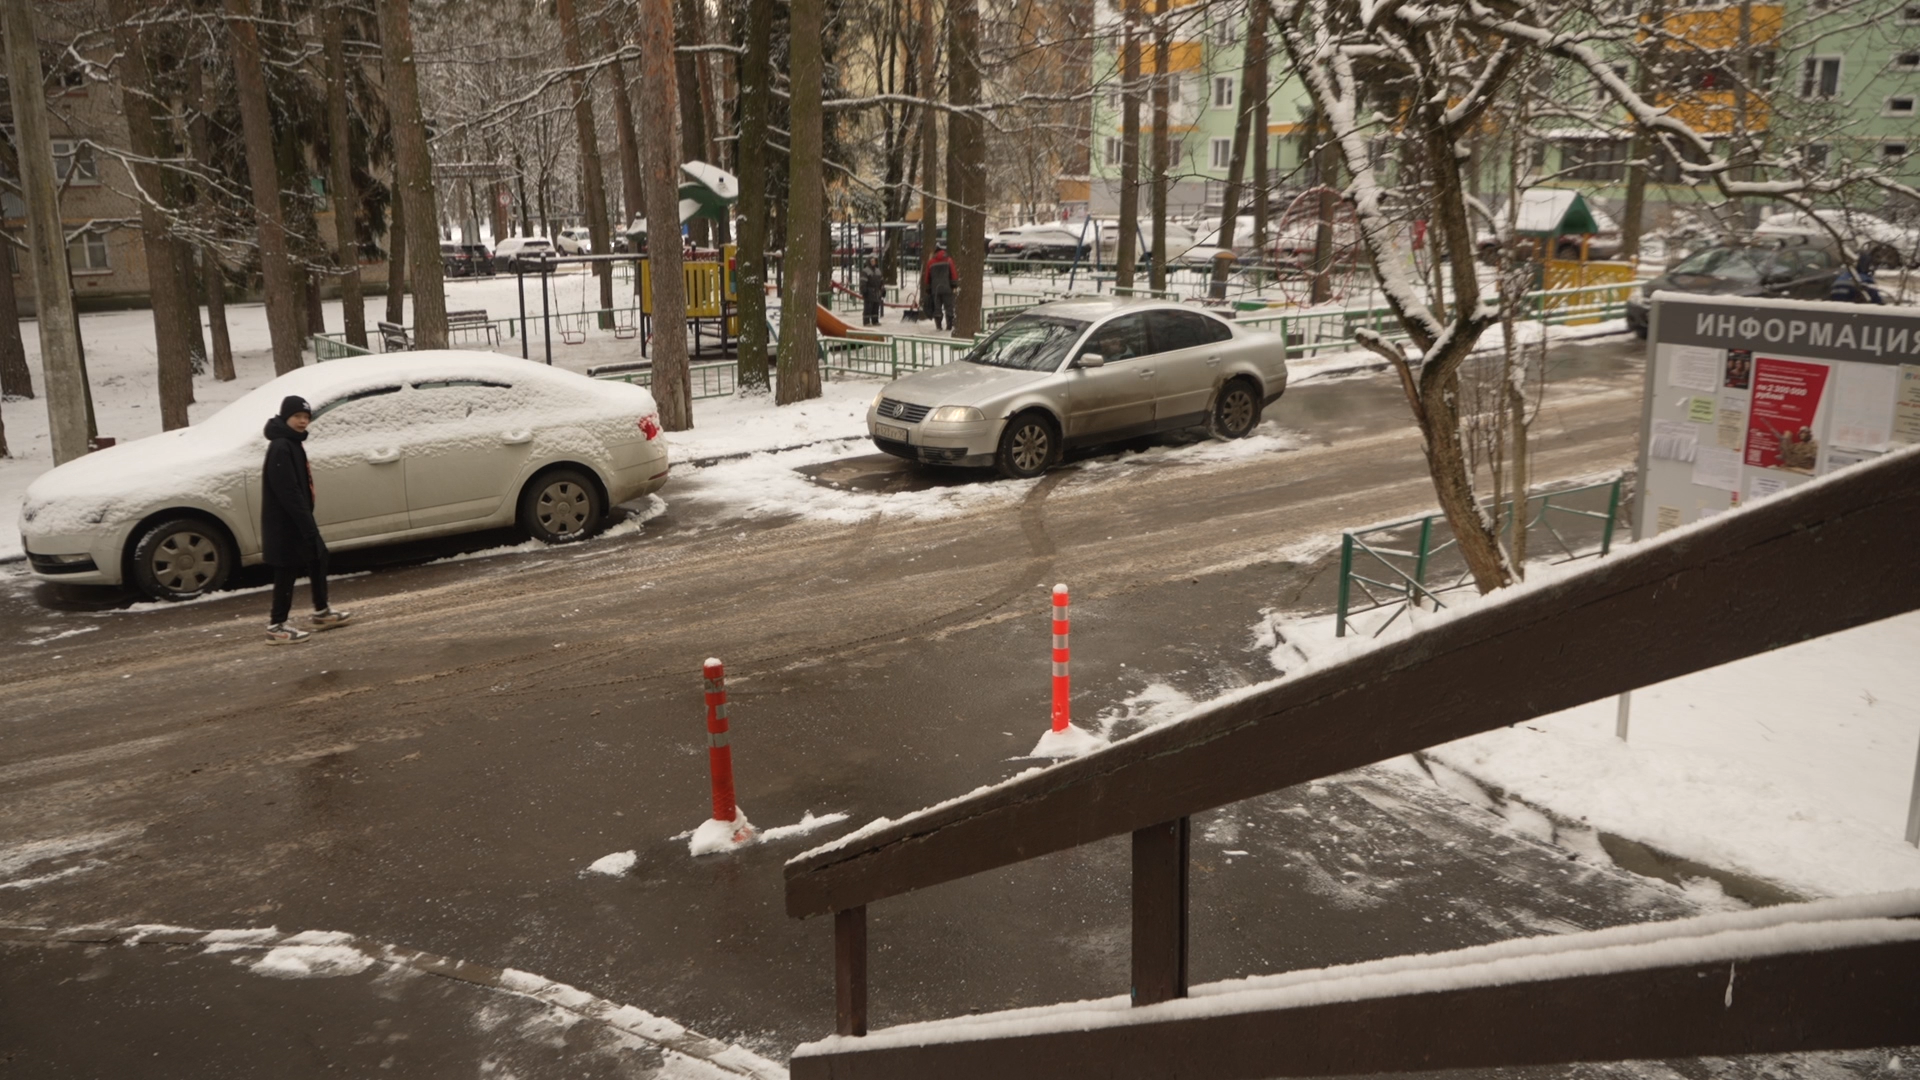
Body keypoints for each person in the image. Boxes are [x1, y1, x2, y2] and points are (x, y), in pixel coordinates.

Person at [261, 395, 352, 644]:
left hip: (297, 519)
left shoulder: (291, 442)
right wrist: (306, 524)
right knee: (286, 571)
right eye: (297, 417)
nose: (302, 422)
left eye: (306, 417)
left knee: (318, 557)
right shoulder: (281, 446)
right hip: (285, 524)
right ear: (285, 417)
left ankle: (322, 612)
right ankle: (276, 626)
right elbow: (287, 491)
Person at [921, 243, 957, 330]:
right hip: (947, 288)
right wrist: (953, 284)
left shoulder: (931, 262)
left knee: (937, 307)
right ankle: (949, 325)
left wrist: (928, 288)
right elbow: (953, 273)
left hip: (935, 289)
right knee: (949, 307)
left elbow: (927, 277)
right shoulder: (949, 260)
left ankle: (938, 325)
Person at [859, 256, 886, 326]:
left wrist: (883, 289)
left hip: (877, 292)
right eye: (872, 261)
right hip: (869, 291)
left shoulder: (878, 271)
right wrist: (863, 290)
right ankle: (866, 321)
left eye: (874, 261)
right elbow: (863, 281)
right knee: (868, 307)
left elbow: (881, 281)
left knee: (876, 307)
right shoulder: (865, 271)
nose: (873, 263)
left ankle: (875, 320)